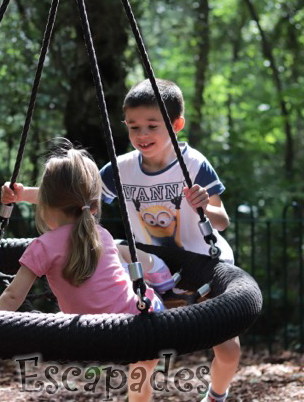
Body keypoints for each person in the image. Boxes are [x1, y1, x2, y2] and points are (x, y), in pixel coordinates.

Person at [99, 78, 238, 402]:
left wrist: (205, 204)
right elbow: (78, 198)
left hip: (202, 265)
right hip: (152, 269)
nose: (142, 135)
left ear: (176, 125)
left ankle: (216, 395)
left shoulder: (193, 165)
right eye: (133, 127)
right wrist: (27, 196)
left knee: (228, 349)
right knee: (144, 353)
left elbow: (223, 221)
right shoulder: (120, 169)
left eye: (152, 126)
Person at [0, 139, 164, 402]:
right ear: (93, 205)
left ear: (45, 204)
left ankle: (158, 273)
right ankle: (162, 276)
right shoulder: (102, 235)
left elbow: (13, 297)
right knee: (143, 360)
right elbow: (68, 198)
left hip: (88, 335)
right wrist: (26, 193)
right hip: (137, 325)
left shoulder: (43, 246)